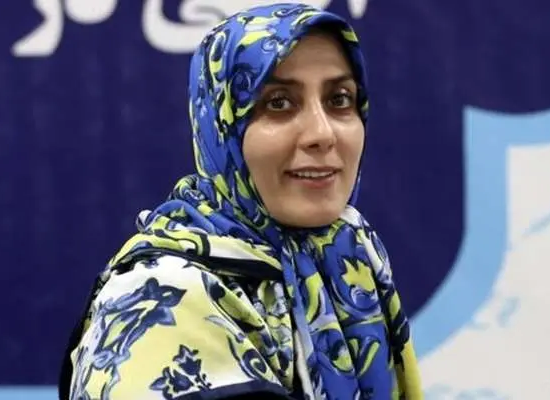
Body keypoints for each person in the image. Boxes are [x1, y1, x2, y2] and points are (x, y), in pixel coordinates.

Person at [59, 3, 422, 399]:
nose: (322, 133)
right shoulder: (162, 300)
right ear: (221, 126)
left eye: (339, 99)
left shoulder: (350, 254)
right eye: (278, 103)